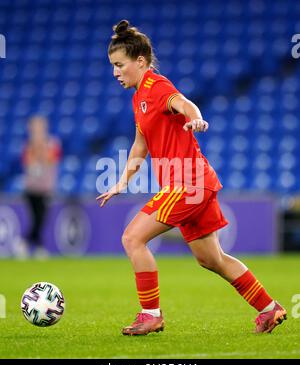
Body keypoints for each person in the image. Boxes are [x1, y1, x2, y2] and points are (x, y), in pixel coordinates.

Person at [97, 20, 287, 335]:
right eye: (113, 66)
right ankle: (270, 309)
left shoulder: (156, 87)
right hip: (197, 183)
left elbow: (183, 104)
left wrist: (195, 118)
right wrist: (121, 182)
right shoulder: (137, 99)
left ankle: (150, 314)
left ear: (140, 61)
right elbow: (140, 146)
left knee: (132, 238)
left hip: (186, 182)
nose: (115, 72)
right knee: (211, 258)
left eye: (119, 65)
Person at [16, 115, 61, 258]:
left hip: (46, 187)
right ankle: (37, 245)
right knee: (35, 218)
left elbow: (50, 160)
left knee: (41, 218)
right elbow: (28, 163)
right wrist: (36, 146)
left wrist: (40, 147)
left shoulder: (53, 143)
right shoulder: (28, 145)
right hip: (31, 187)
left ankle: (27, 242)